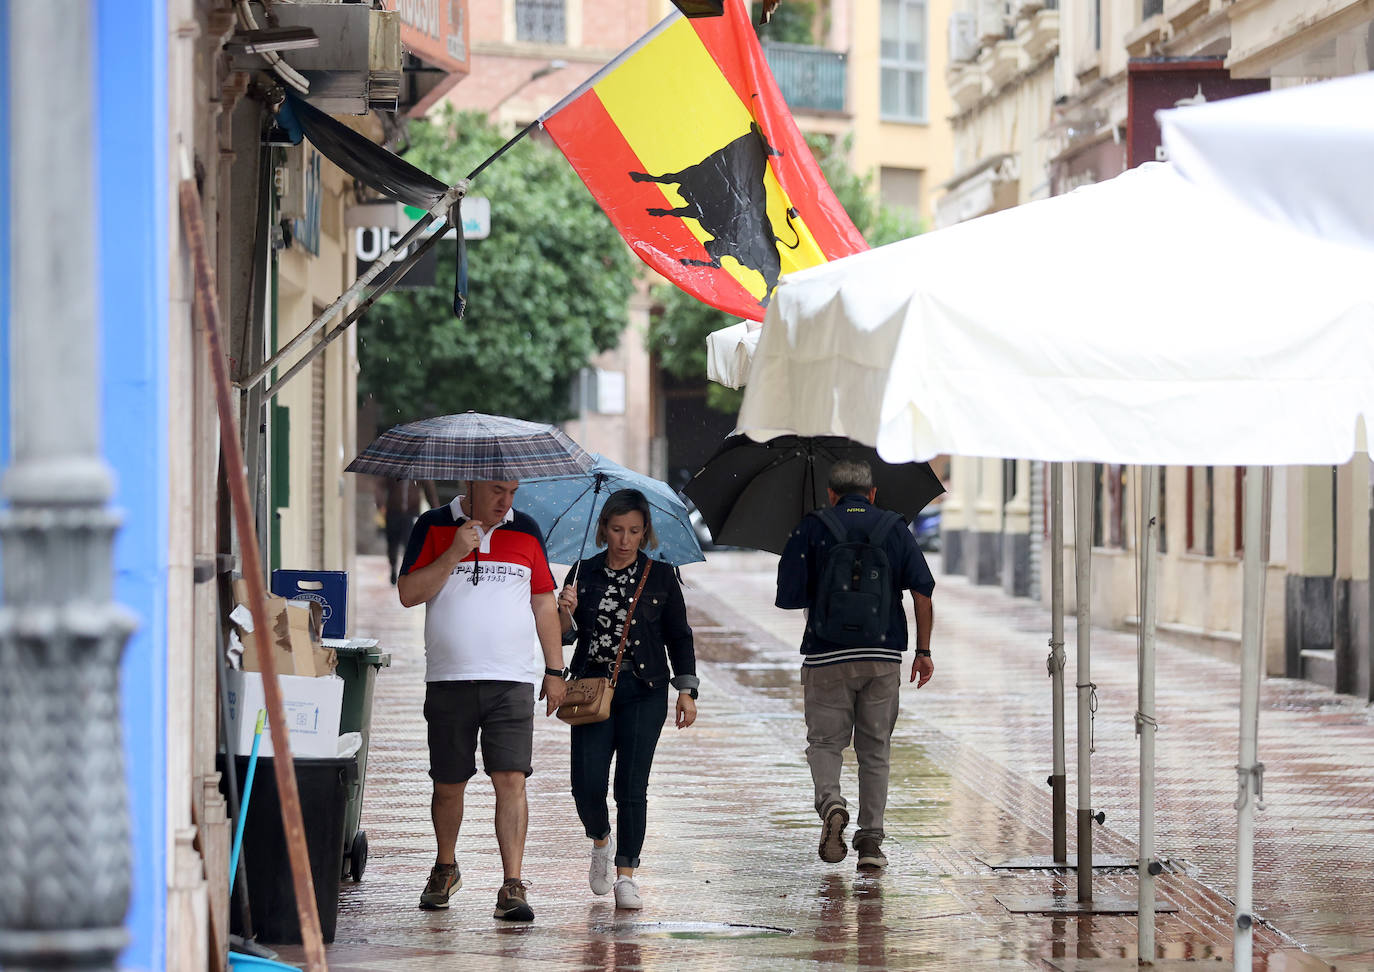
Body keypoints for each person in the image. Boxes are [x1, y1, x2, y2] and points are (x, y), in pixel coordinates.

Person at [396, 479, 567, 922]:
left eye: (511, 491)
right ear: (469, 484)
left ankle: (512, 883)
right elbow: (409, 594)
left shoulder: (526, 530)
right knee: (448, 782)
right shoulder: (432, 526)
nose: (505, 501)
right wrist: (453, 552)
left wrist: (554, 671)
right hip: (449, 679)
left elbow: (543, 602)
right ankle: (445, 867)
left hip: (511, 680)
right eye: (496, 490)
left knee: (512, 778)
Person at [774, 459, 935, 870]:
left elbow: (789, 597)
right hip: (883, 657)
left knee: (826, 743)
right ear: (873, 492)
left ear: (831, 493)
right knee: (874, 749)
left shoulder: (813, 526)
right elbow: (922, 592)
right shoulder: (894, 527)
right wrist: (923, 651)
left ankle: (831, 805)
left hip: (826, 655)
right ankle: (870, 843)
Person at [556, 489, 699, 910]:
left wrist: (686, 691)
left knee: (632, 787)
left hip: (646, 690)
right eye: (617, 530)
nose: (625, 539)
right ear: (604, 529)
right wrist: (564, 611)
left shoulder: (660, 575)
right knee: (586, 785)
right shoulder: (582, 571)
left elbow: (679, 635)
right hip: (590, 690)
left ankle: (626, 874)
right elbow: (565, 637)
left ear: (645, 532)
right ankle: (600, 839)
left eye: (634, 531)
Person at [379, 477, 438, 584]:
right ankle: (393, 567)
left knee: (410, 544)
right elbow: (381, 486)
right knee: (392, 544)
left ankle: (408, 572)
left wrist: (437, 511)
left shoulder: (419, 470)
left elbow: (429, 490)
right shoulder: (393, 469)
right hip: (393, 512)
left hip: (412, 513)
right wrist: (381, 504)